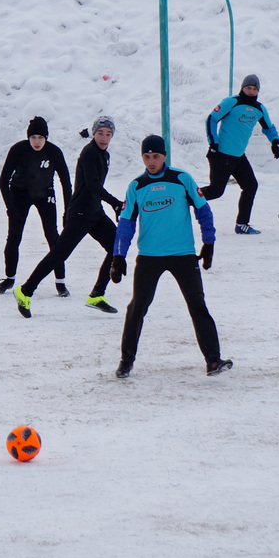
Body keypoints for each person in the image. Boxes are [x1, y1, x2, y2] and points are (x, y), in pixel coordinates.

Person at [110, 135, 231, 379]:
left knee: (197, 306)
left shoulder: (182, 179)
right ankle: (126, 362)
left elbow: (203, 210)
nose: (151, 161)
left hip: (183, 255)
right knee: (136, 308)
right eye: (146, 156)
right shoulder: (136, 186)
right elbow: (125, 224)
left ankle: (213, 360)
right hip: (149, 257)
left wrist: (209, 243)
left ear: (164, 156)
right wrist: (118, 256)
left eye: (155, 156)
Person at [14, 116, 123, 317]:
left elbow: (95, 189)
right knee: (59, 254)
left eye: (108, 134)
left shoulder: (104, 154)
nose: (104, 138)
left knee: (117, 245)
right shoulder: (90, 153)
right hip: (81, 214)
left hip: (95, 212)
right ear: (93, 133)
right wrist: (115, 203)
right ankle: (25, 290)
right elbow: (92, 185)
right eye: (100, 133)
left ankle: (97, 294)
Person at [0, 116, 72, 297]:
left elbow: (66, 182)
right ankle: (10, 278)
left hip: (45, 194)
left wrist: (68, 210)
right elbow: (3, 181)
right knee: (14, 235)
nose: (37, 142)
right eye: (33, 138)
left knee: (53, 236)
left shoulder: (54, 152)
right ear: (28, 138)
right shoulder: (18, 150)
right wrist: (10, 208)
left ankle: (60, 282)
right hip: (19, 194)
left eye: (41, 138)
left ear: (46, 138)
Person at [201, 74, 279, 234]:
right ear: (242, 88)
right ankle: (182, 199)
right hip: (221, 155)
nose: (251, 91)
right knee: (216, 191)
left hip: (238, 157)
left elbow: (269, 127)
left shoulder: (259, 109)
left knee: (251, 186)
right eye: (248, 88)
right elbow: (211, 119)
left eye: (254, 89)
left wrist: (275, 141)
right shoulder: (232, 102)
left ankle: (241, 224)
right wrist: (213, 143)